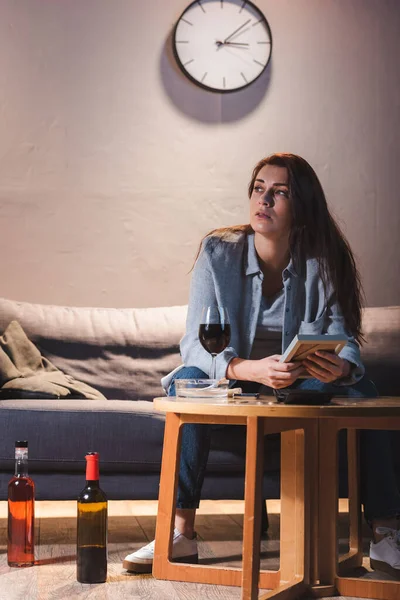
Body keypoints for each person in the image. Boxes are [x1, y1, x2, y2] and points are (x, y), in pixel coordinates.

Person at [123, 153, 400, 578]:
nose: (264, 200)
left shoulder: (322, 262)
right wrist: (246, 369)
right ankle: (182, 531)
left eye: (280, 192)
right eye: (259, 189)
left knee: (365, 391)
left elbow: (346, 344)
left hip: (299, 387)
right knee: (191, 382)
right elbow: (193, 348)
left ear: (301, 206)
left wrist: (340, 370)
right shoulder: (217, 254)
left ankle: (384, 533)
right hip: (236, 385)